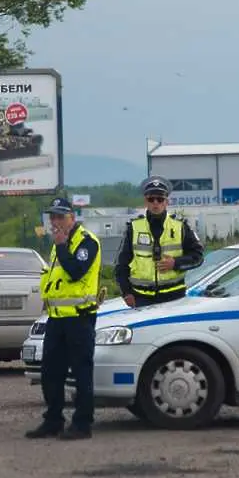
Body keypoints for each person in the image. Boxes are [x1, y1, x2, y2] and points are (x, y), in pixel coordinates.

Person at [26, 197, 102, 441]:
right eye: (52, 217)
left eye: (60, 216)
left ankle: (82, 424)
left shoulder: (86, 242)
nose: (55, 222)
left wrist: (61, 245)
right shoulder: (57, 245)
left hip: (80, 318)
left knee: (81, 372)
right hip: (57, 318)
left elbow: (76, 270)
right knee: (50, 372)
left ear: (73, 217)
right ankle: (53, 420)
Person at [114, 176, 205, 308]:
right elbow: (121, 265)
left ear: (167, 202)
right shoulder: (133, 227)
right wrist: (126, 293)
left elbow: (198, 257)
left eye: (160, 199)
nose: (155, 203)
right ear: (146, 201)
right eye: (151, 199)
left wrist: (176, 263)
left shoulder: (180, 226)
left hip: (174, 299)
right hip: (142, 299)